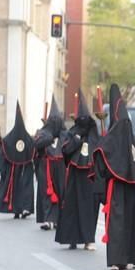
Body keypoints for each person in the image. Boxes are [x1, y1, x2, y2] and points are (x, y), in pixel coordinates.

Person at [92, 85, 135, 270]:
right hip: (116, 189)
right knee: (119, 223)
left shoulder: (127, 144)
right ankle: (120, 259)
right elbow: (101, 164)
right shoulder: (113, 143)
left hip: (126, 189)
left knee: (129, 222)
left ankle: (128, 257)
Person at [55, 90, 101, 251]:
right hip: (75, 177)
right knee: (73, 208)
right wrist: (77, 139)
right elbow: (65, 150)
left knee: (89, 209)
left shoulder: (95, 134)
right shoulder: (73, 132)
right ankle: (71, 238)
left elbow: (100, 151)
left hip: (89, 177)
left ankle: (89, 239)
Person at [0, 102, 35, 219]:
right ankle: (22, 209)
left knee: (18, 189)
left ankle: (18, 210)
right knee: (24, 189)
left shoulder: (7, 139)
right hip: (24, 168)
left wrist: (2, 170)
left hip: (16, 169)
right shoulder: (29, 139)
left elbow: (2, 155)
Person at [34, 96, 65, 231]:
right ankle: (48, 220)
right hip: (45, 167)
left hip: (61, 168)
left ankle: (58, 219)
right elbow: (36, 144)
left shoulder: (65, 135)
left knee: (60, 193)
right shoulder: (43, 133)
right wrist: (49, 138)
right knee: (46, 194)